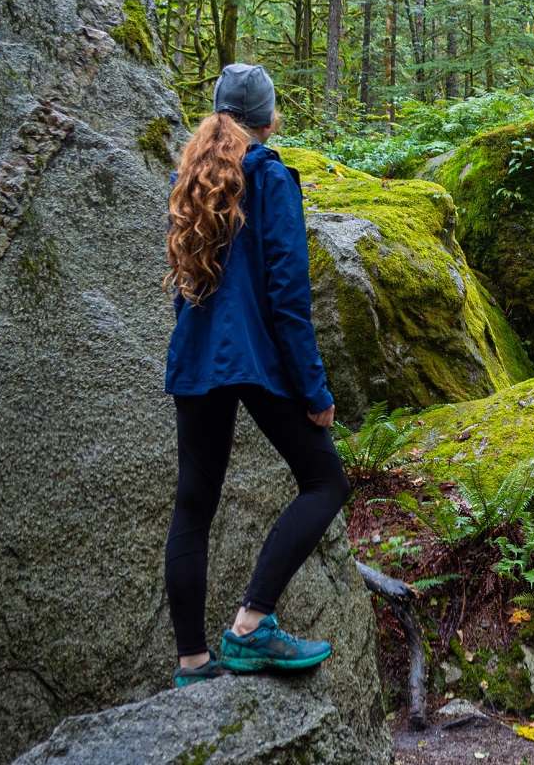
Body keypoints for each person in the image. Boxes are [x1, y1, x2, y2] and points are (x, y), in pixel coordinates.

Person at [162, 62, 350, 687]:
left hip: (198, 357)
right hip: (258, 358)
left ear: (217, 112)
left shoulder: (189, 179)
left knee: (194, 504)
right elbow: (289, 295)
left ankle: (193, 664)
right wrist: (315, 391)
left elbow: (185, 284)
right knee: (325, 482)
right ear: (269, 119)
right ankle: (250, 626)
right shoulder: (269, 177)